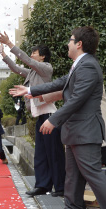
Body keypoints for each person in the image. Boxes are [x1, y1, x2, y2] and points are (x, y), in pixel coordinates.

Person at [10, 26, 106, 208]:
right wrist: (30, 89)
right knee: (72, 181)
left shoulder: (88, 65)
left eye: (70, 40)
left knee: (94, 176)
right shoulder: (80, 64)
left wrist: (53, 119)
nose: (67, 43)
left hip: (85, 133)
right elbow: (60, 83)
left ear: (79, 44)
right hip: (75, 133)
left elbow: (77, 99)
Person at [0, 32, 65, 197]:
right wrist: (3, 53)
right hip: (40, 118)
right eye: (32, 52)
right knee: (40, 154)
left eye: (35, 52)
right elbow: (16, 68)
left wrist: (10, 43)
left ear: (43, 57)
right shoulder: (33, 72)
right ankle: (42, 185)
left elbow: (27, 60)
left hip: (50, 117)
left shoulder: (46, 69)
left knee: (54, 154)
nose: (32, 54)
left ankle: (60, 187)